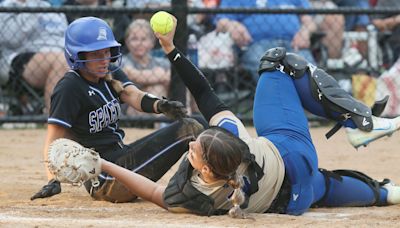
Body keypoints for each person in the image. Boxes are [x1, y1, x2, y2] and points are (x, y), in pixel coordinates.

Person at [97, 16, 400, 217]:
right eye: (197, 146)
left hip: (293, 200)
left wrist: (102, 164)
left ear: (203, 170)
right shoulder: (235, 136)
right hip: (292, 153)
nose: (191, 145)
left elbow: (151, 191)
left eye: (196, 147)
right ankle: (360, 122)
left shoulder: (196, 196)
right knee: (278, 62)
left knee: (324, 186)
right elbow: (204, 92)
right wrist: (171, 48)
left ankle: (386, 193)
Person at [30, 17, 202, 202]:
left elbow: (132, 95)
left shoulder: (107, 72)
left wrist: (159, 105)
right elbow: (53, 139)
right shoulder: (69, 87)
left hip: (122, 159)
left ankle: (198, 185)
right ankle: (196, 189)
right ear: (77, 55)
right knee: (190, 129)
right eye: (96, 54)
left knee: (197, 123)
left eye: (106, 52)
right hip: (105, 179)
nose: (104, 59)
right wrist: (53, 180)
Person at [214, 0, 317, 82]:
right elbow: (221, 21)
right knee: (270, 74)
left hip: (294, 43)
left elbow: (309, 21)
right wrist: (232, 25)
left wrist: (305, 31)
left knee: (311, 75)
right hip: (255, 44)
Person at [0, 0, 69, 113]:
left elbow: (66, 38)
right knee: (62, 62)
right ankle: (55, 122)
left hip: (62, 55)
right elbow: (12, 40)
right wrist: (33, 4)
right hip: (21, 57)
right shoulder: (7, 6)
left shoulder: (52, 8)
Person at [122, 19, 171, 117]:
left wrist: (153, 78)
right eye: (134, 39)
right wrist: (160, 75)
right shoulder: (123, 61)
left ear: (152, 42)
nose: (139, 43)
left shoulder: (160, 62)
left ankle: (186, 119)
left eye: (144, 39)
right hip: (132, 109)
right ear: (127, 42)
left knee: (157, 88)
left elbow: (173, 77)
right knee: (156, 87)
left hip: (161, 105)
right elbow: (133, 75)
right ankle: (160, 125)